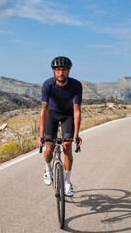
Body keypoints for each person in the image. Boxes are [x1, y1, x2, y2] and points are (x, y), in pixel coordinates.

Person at [37, 56, 83, 197]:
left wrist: (76, 134)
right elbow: (44, 110)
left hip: (68, 115)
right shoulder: (48, 85)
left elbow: (77, 111)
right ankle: (47, 168)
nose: (60, 73)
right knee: (49, 147)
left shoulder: (76, 85)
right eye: (57, 70)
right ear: (54, 71)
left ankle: (67, 182)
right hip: (52, 114)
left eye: (63, 70)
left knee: (68, 147)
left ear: (68, 71)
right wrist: (41, 134)